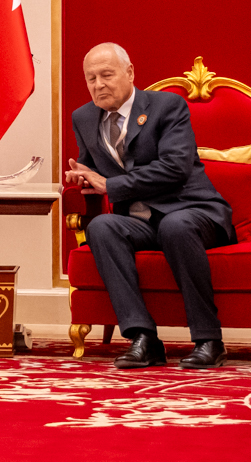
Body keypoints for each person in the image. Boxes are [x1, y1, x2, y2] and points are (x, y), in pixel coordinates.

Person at [65, 42, 230, 369]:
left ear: (129, 73)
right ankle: (143, 338)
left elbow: (175, 167)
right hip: (140, 220)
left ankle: (209, 340)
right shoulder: (83, 117)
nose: (98, 85)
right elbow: (93, 169)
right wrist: (83, 177)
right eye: (91, 78)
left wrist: (110, 185)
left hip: (193, 211)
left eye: (107, 75)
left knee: (174, 225)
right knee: (102, 226)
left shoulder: (167, 106)